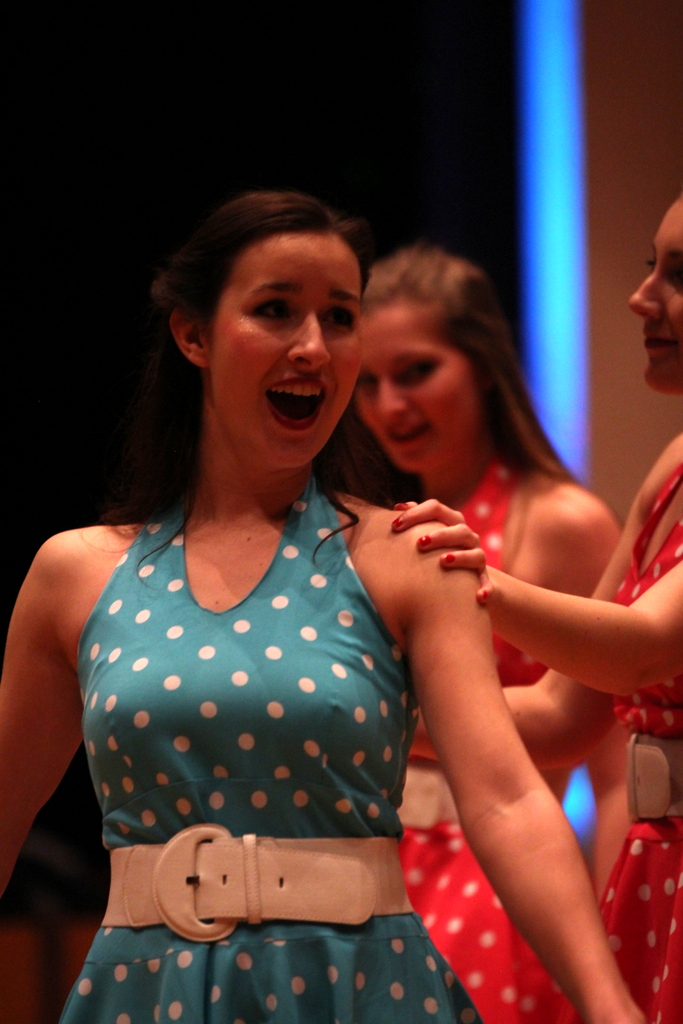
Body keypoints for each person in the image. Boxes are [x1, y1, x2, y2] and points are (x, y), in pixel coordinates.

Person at [0, 190, 643, 1024]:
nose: (312, 346)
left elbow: (506, 800)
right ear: (193, 334)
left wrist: (608, 1005)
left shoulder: (408, 557)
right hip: (149, 991)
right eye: (275, 310)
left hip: (361, 988)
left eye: (339, 317)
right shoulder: (74, 572)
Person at [396, 191, 683, 1022]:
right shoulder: (671, 467)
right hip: (658, 869)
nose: (639, 297)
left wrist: (467, 573)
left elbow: (643, 648)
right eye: (649, 268)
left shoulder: (552, 518)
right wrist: (347, 710)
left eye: (678, 275)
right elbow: (560, 713)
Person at [354, 243, 629, 1024]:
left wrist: (617, 946)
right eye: (367, 382)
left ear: (481, 365)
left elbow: (612, 767)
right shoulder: (383, 530)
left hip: (501, 885)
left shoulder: (560, 520)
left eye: (415, 371)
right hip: (374, 877)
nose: (390, 405)